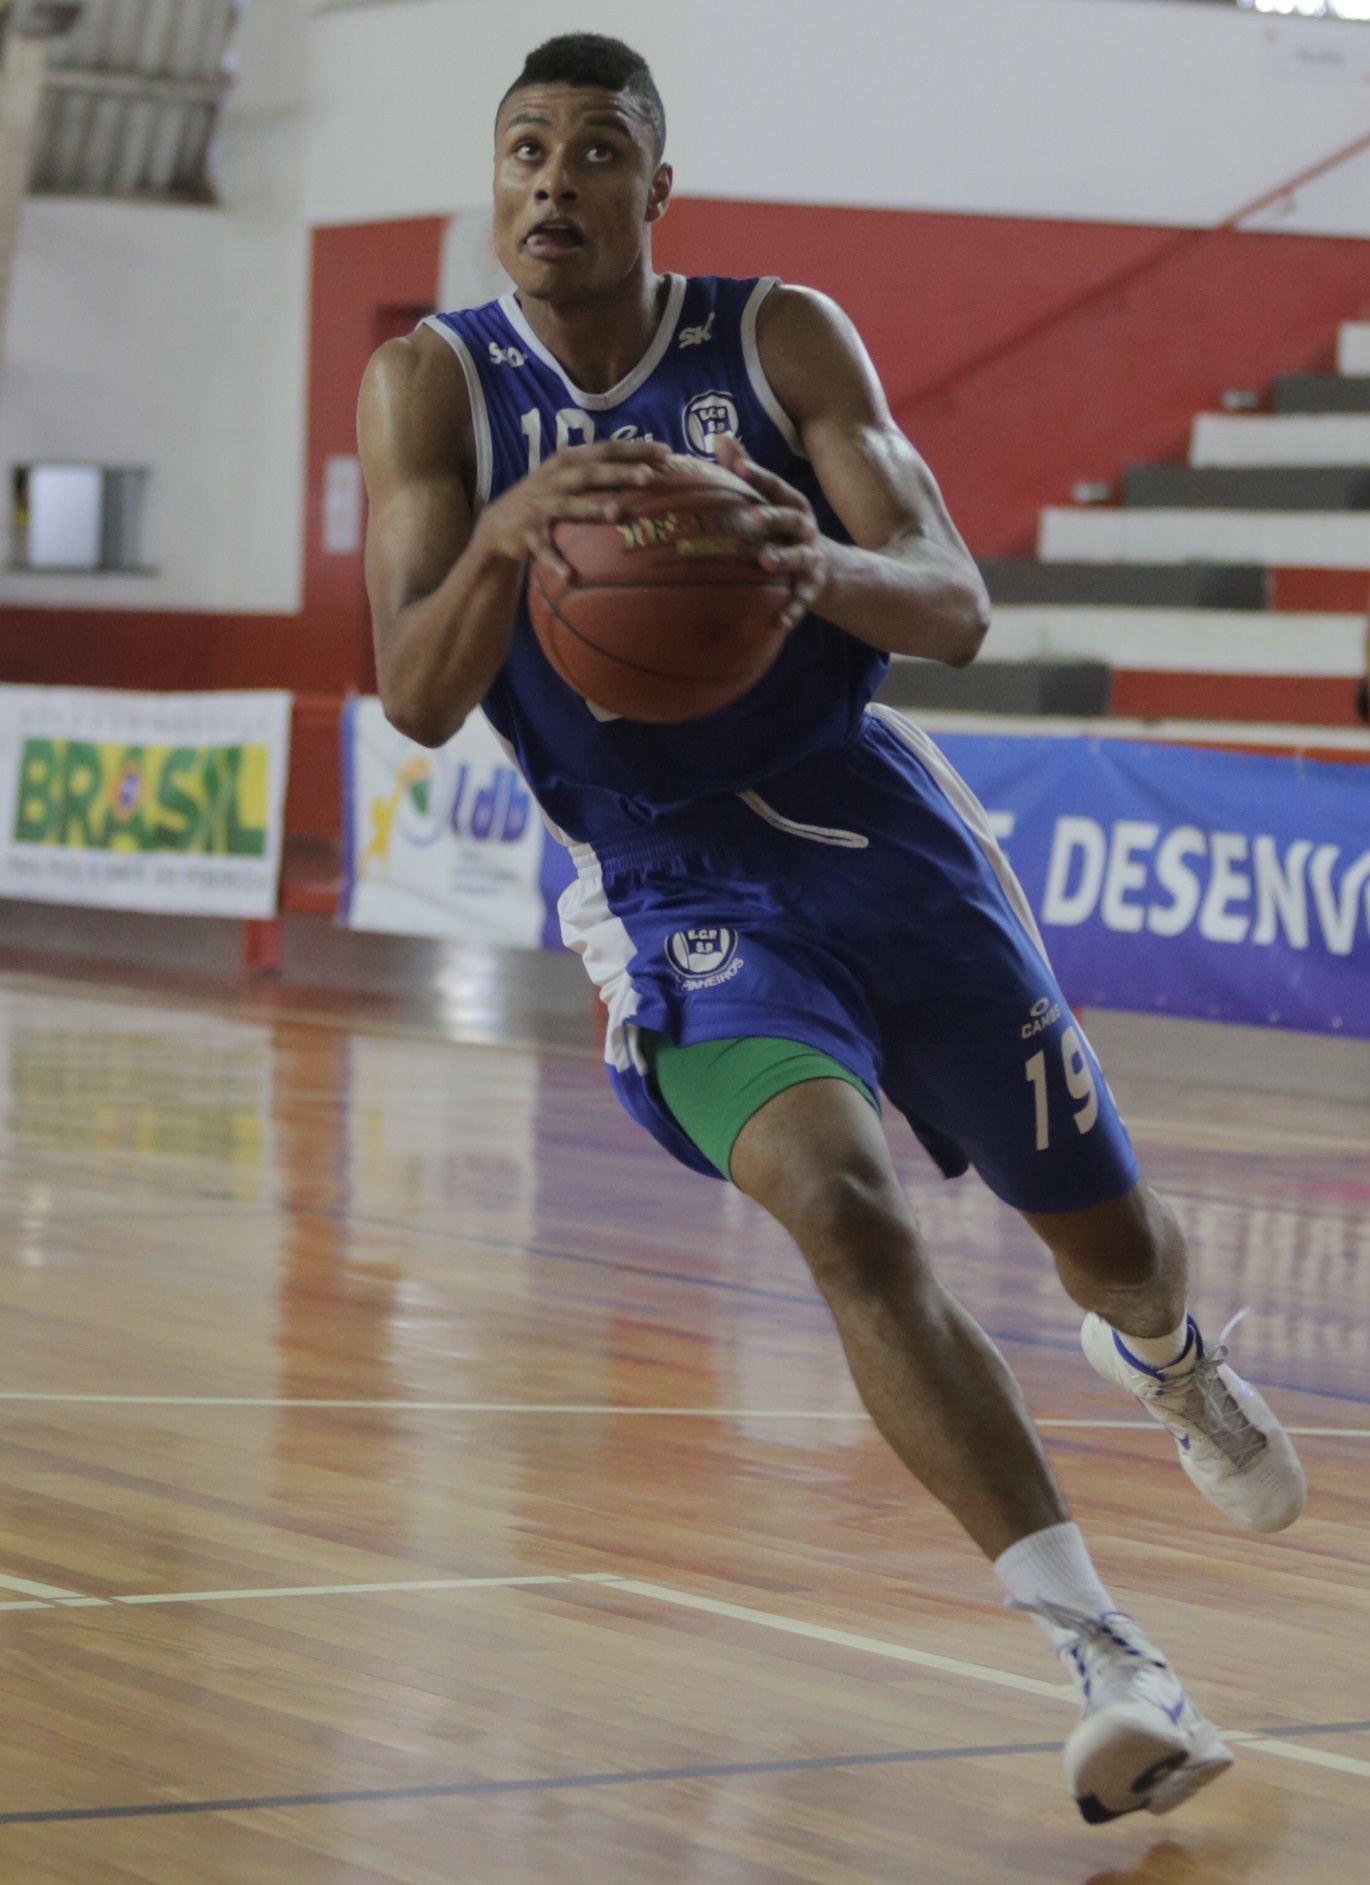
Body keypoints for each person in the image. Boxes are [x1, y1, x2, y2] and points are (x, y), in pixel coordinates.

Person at [358, 32, 1305, 1825]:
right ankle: (1105, 1653)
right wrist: (505, 541)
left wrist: (809, 566)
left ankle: (1167, 1350)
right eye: (523, 152)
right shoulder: (433, 384)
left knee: (1111, 1241)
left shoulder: (776, 337)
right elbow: (412, 697)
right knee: (838, 1201)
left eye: (594, 151)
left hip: (875, 829)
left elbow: (949, 601)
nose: (551, 182)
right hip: (669, 879)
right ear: (496, 183)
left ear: (659, 187)